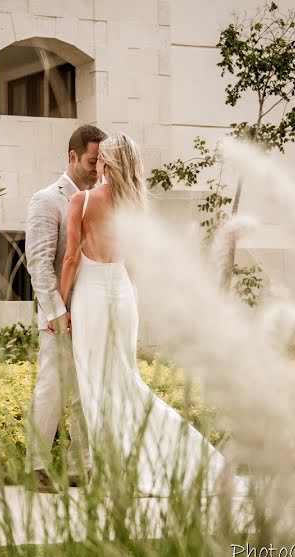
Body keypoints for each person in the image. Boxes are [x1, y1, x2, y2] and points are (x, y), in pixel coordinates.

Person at [59, 132, 227, 497]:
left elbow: (71, 258)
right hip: (122, 296)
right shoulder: (133, 207)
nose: (97, 163)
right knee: (125, 381)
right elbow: (133, 265)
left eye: (101, 158)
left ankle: (111, 476)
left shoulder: (81, 201)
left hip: (90, 297)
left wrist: (60, 305)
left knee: (96, 388)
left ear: (107, 162)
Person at [24, 124, 107, 492]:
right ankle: (35, 466)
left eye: (100, 162)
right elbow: (38, 262)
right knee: (52, 389)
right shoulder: (47, 199)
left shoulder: (100, 199)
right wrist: (57, 311)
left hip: (91, 313)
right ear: (73, 156)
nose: (96, 168)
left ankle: (80, 466)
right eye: (91, 161)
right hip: (59, 315)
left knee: (84, 392)